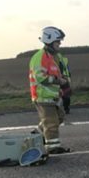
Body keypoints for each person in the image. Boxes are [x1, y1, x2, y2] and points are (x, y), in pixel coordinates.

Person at [29, 26, 70, 154]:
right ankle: (53, 147)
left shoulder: (55, 57)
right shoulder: (40, 57)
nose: (60, 44)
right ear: (49, 41)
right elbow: (40, 77)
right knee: (52, 123)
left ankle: (40, 131)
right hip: (43, 96)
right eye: (58, 41)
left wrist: (65, 83)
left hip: (54, 96)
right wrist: (59, 81)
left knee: (60, 118)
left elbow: (61, 72)